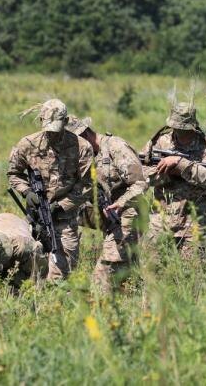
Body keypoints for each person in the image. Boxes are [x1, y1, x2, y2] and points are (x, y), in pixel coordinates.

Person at [8, 99, 93, 280]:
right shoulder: (27, 144)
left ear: (67, 121)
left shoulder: (82, 147)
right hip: (36, 216)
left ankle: (60, 303)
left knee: (64, 272)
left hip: (65, 219)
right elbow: (14, 173)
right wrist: (27, 192)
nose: (52, 135)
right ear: (41, 122)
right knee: (31, 268)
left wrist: (62, 205)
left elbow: (86, 185)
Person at [65, 116, 148, 292]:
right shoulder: (86, 157)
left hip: (128, 214)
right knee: (126, 277)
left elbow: (140, 182)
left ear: (85, 134)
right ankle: (138, 306)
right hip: (110, 219)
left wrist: (120, 202)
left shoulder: (115, 147)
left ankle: (99, 308)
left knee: (103, 275)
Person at [140, 101, 206, 260]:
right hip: (160, 221)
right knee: (152, 271)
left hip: (194, 223)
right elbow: (142, 174)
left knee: (193, 275)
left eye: (183, 128)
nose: (179, 131)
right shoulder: (159, 141)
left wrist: (180, 164)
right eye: (176, 127)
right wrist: (167, 172)